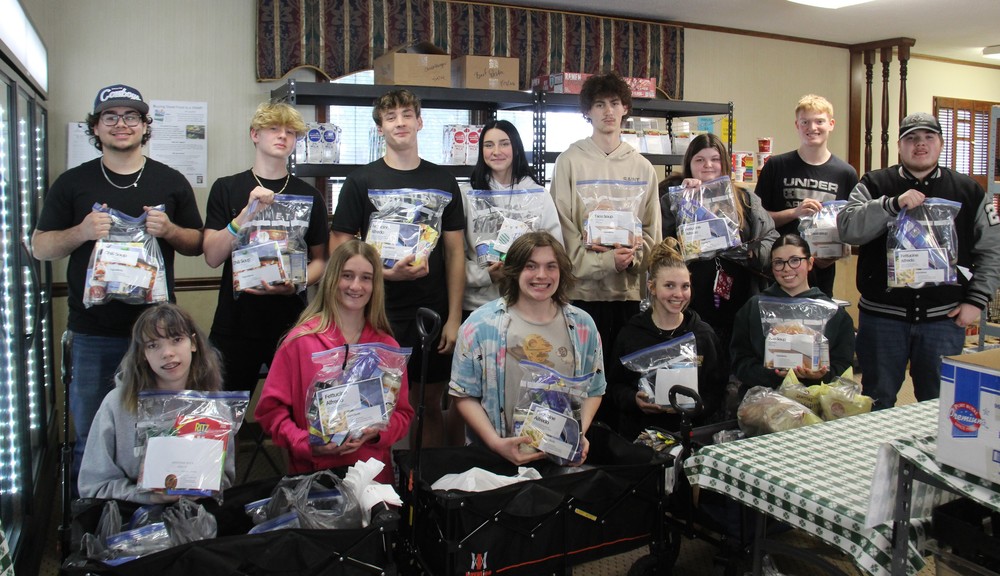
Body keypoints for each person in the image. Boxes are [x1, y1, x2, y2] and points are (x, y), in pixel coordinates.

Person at [32, 84, 204, 494]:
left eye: (131, 117)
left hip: (160, 336)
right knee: (90, 436)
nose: (121, 125)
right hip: (92, 332)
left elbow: (198, 243)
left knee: (163, 430)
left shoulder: (171, 180)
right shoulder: (73, 183)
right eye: (110, 117)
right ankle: (87, 528)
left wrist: (171, 230)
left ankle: (157, 518)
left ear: (146, 126)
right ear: (96, 127)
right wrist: (81, 231)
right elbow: (40, 245)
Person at [330, 89, 464, 448]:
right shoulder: (361, 181)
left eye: (407, 115)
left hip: (431, 313)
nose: (400, 122)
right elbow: (338, 246)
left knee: (428, 405)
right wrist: (384, 275)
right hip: (377, 312)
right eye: (391, 117)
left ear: (420, 122)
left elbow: (454, 254)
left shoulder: (444, 181)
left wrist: (453, 317)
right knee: (372, 405)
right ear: (379, 128)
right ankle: (381, 488)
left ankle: (427, 490)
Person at [838, 112, 1000, 409]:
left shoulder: (968, 190)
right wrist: (890, 204)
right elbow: (849, 229)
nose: (920, 144)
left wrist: (976, 301)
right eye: (911, 138)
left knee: (939, 406)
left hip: (944, 319)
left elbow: (993, 249)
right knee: (876, 401)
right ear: (900, 146)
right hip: (882, 319)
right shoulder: (874, 184)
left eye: (928, 138)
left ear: (940, 144)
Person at [549, 71, 661, 429]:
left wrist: (633, 261)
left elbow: (651, 234)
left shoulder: (643, 167)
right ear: (588, 112)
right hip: (581, 295)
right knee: (579, 382)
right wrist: (601, 261)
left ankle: (620, 458)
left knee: (622, 384)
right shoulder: (570, 161)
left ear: (625, 108)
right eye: (599, 104)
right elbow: (561, 232)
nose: (608, 111)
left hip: (626, 296)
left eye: (614, 103)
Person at [254, 240, 414, 484]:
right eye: (347, 275)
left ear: (375, 285)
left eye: (366, 278)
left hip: (372, 479)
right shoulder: (300, 342)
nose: (356, 286)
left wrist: (374, 436)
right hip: (313, 477)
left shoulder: (387, 348)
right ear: (331, 280)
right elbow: (270, 412)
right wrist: (305, 443)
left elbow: (402, 414)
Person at [203, 102, 329, 394]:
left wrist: (296, 283)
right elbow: (211, 256)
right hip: (234, 325)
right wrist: (245, 214)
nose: (282, 136)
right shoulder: (227, 188)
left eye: (290, 132)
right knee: (221, 413)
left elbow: (321, 261)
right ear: (254, 135)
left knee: (297, 410)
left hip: (290, 323)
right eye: (273, 128)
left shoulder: (310, 196)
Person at [450, 231, 605, 466]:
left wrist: (576, 434)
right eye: (530, 266)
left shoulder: (583, 325)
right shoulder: (480, 325)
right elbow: (463, 394)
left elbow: (594, 389)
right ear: (514, 270)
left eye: (551, 266)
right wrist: (495, 443)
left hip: (559, 458)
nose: (541, 275)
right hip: (496, 461)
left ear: (561, 272)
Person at [78, 303, 231, 503]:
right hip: (131, 516)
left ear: (193, 344)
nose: (167, 352)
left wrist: (199, 487)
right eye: (153, 345)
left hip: (198, 514)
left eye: (176, 340)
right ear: (143, 353)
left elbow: (226, 480)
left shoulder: (215, 406)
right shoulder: (116, 405)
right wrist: (147, 496)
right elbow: (93, 486)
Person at [660, 133, 778, 352]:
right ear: (689, 164)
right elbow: (662, 247)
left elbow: (771, 237)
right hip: (691, 301)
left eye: (715, 159)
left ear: (724, 163)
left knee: (736, 359)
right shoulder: (672, 198)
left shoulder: (745, 198)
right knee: (700, 363)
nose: (708, 165)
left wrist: (753, 253)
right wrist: (685, 204)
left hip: (740, 297)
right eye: (700, 160)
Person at [609, 239, 728, 439]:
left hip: (690, 436)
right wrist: (633, 400)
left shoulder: (703, 334)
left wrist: (697, 407)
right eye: (669, 286)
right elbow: (613, 386)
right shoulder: (631, 334)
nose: (678, 294)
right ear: (652, 287)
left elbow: (717, 389)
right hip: (641, 439)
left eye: (685, 286)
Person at [755, 94, 858, 297]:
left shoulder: (845, 173)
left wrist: (836, 253)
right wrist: (795, 212)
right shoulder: (776, 166)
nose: (812, 128)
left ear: (831, 124)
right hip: (779, 270)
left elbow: (851, 226)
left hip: (821, 274)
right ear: (797, 125)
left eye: (819, 121)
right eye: (805, 122)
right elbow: (759, 221)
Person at [730, 234, 855, 396]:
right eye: (779, 263)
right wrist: (772, 375)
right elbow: (739, 362)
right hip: (763, 400)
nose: (787, 268)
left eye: (795, 260)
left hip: (816, 401)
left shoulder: (833, 312)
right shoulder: (754, 307)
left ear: (810, 263)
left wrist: (821, 376)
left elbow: (844, 365)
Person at [462, 119, 563, 315]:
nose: (496, 151)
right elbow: (456, 256)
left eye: (504, 143)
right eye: (488, 145)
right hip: (479, 305)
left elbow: (556, 250)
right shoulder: (467, 195)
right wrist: (485, 276)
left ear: (516, 148)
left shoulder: (538, 195)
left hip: (528, 303)